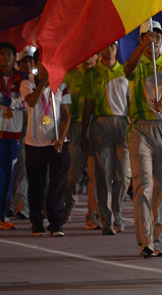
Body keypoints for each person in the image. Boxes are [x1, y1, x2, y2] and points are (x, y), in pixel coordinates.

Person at [125, 20, 162, 258]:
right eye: (149, 36)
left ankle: (156, 237)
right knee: (143, 184)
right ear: (141, 39)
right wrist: (141, 48)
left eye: (157, 36)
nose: (154, 40)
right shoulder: (136, 63)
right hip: (139, 128)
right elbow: (129, 71)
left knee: (161, 187)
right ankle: (145, 239)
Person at [81, 41, 131, 235]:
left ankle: (117, 212)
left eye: (112, 47)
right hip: (100, 124)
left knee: (123, 176)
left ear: (116, 50)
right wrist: (85, 132)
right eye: (105, 46)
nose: (108, 50)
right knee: (103, 175)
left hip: (122, 124)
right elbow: (88, 105)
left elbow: (130, 101)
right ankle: (107, 220)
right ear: (100, 50)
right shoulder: (92, 74)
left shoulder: (126, 72)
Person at [23, 59, 71, 237]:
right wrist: (43, 83)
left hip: (56, 142)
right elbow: (32, 102)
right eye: (42, 64)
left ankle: (56, 223)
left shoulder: (62, 86)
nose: (45, 67)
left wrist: (61, 137)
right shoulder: (26, 84)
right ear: (37, 65)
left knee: (57, 184)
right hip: (34, 142)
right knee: (36, 185)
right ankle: (36, 222)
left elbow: (66, 115)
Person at [62, 54, 100, 230]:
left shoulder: (101, 74)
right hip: (76, 128)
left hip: (98, 127)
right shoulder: (70, 76)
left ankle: (92, 216)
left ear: (98, 56)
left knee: (96, 176)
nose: (87, 57)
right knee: (73, 176)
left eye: (92, 53)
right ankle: (67, 210)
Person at [0, 42, 29, 231]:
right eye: (2, 54)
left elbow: (27, 103)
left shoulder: (22, 78)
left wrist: (9, 101)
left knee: (8, 177)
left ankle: (3, 215)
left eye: (9, 54)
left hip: (13, 133)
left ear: (14, 56)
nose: (5, 57)